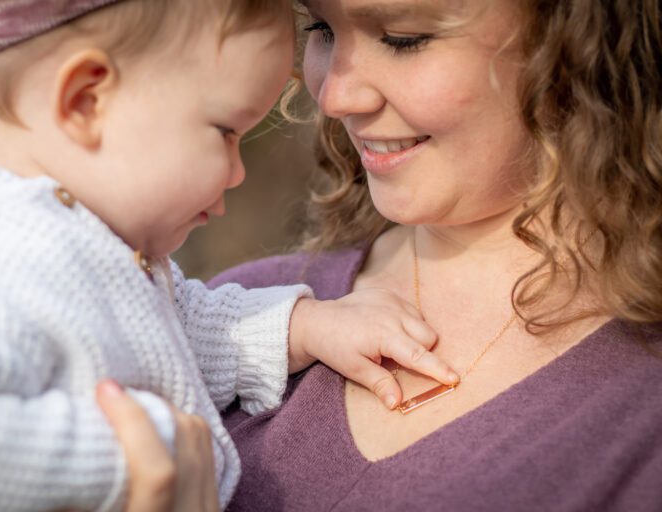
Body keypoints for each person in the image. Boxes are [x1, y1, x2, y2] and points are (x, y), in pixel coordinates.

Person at [0, 0, 463, 510]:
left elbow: (172, 331)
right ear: (86, 100)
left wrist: (303, 326)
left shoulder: (72, 249)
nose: (237, 173)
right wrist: (144, 452)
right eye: (224, 132)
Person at [206, 0, 662, 510]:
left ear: (577, 43)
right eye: (320, 29)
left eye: (403, 38)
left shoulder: (643, 402)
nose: (335, 97)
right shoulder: (229, 319)